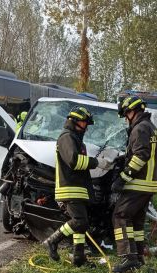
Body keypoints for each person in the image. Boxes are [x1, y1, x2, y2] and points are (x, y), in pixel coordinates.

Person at [42, 106, 111, 267]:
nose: (86, 126)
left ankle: (78, 258)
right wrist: (97, 162)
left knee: (83, 224)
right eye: (85, 122)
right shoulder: (66, 137)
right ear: (75, 121)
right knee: (79, 221)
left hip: (78, 189)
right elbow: (73, 161)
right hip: (69, 188)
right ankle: (52, 241)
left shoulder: (76, 139)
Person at [110, 95, 157, 272]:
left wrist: (123, 178)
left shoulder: (139, 129)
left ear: (132, 111)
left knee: (120, 216)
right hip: (148, 184)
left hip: (137, 183)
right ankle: (138, 257)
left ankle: (127, 258)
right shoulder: (150, 127)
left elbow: (141, 156)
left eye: (126, 114)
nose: (126, 118)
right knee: (136, 223)